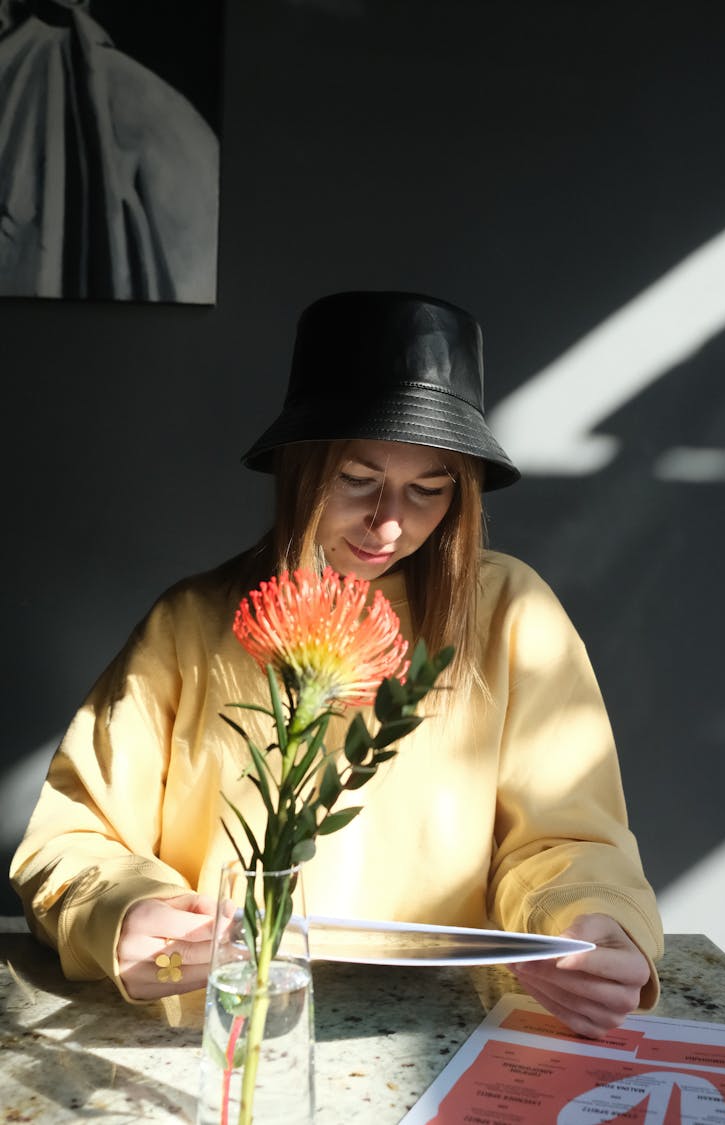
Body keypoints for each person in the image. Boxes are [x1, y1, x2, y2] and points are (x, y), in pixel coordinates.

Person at [10, 291, 663, 1037]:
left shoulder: (511, 612)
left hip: (436, 1039)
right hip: (222, 1032)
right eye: (359, 478)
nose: (390, 521)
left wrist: (588, 920)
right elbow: (72, 838)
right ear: (300, 468)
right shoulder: (191, 622)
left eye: (430, 489)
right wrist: (125, 913)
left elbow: (568, 838)